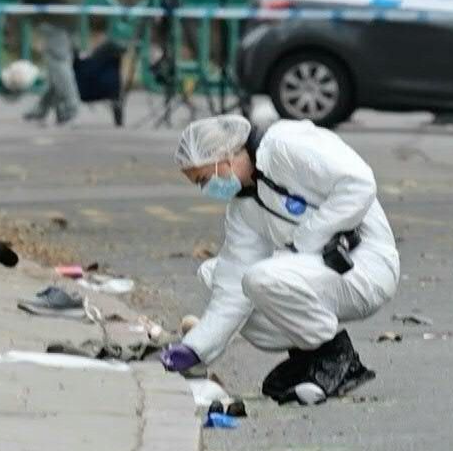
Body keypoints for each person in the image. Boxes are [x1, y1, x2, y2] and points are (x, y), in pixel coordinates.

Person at [159, 115, 399, 404]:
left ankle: (336, 357)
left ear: (223, 155)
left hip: (366, 266)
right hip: (323, 273)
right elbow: (232, 285)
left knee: (261, 278)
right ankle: (309, 356)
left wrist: (308, 240)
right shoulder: (244, 207)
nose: (206, 189)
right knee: (217, 273)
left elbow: (358, 183)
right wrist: (195, 349)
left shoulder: (287, 146)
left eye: (204, 179)